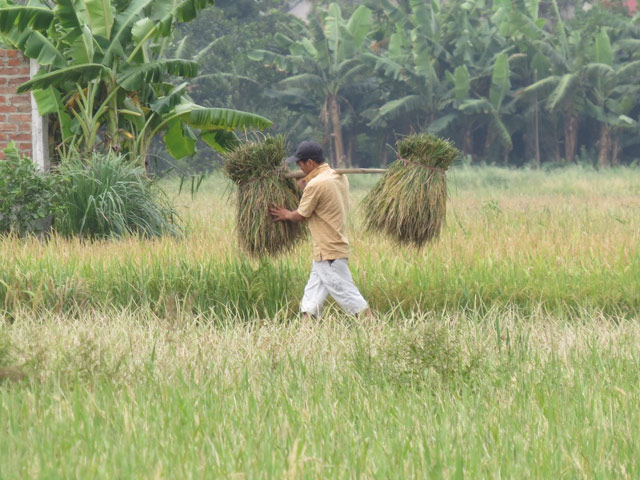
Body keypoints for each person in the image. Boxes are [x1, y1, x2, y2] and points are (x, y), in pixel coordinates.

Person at [269, 140, 371, 318]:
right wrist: (306, 186)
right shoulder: (338, 176)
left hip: (328, 251)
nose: (299, 168)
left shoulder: (316, 185)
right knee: (311, 298)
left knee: (347, 294)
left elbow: (301, 215)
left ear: (310, 163)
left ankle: (372, 327)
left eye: (300, 164)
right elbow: (322, 200)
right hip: (329, 249)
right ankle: (306, 332)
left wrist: (285, 214)